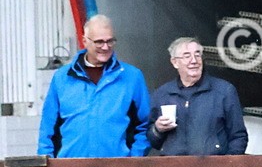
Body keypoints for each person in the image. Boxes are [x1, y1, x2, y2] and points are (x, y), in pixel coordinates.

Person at [37, 14, 151, 158]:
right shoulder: (62, 77)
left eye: (110, 41)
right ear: (84, 41)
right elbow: (48, 127)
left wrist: (134, 160)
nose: (105, 47)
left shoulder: (132, 77)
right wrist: (47, 166)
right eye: (99, 42)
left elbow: (144, 125)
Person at [148, 37, 248, 156]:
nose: (194, 60)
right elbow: (152, 141)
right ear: (175, 62)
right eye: (187, 56)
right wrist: (158, 129)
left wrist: (228, 166)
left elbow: (238, 136)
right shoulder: (162, 94)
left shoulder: (224, 91)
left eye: (197, 55)